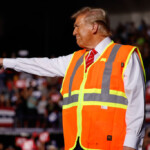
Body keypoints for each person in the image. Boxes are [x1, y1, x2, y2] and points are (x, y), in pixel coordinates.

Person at [0, 7, 146, 150]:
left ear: (94, 27)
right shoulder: (75, 59)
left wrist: (131, 145)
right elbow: (42, 64)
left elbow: (136, 104)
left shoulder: (126, 56)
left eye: (77, 26)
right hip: (75, 145)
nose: (74, 32)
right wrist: (4, 62)